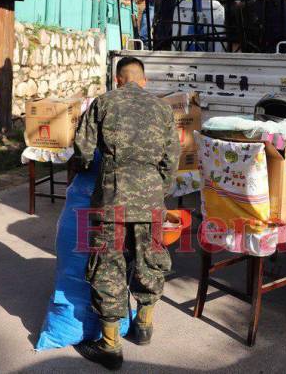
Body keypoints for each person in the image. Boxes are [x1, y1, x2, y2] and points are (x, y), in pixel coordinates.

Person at [74, 57, 181, 370]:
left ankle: (110, 346)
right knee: (150, 261)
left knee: (108, 266)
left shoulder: (103, 102)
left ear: (118, 79)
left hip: (112, 199)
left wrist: (84, 167)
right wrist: (159, 193)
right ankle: (144, 327)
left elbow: (82, 150)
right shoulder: (162, 108)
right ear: (143, 81)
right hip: (150, 200)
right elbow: (171, 159)